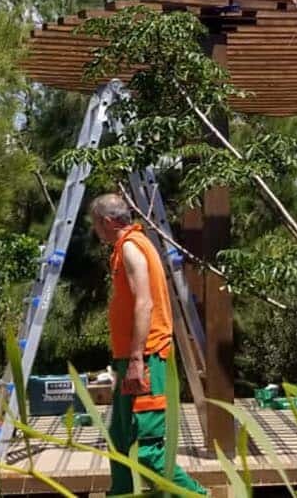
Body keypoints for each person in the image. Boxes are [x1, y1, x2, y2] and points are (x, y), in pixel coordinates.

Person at [90, 193, 206, 496]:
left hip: (146, 357)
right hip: (133, 357)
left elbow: (144, 304)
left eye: (95, 224)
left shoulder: (130, 247)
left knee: (147, 450)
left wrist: (137, 360)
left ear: (106, 222)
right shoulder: (131, 244)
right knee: (120, 439)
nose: (95, 231)